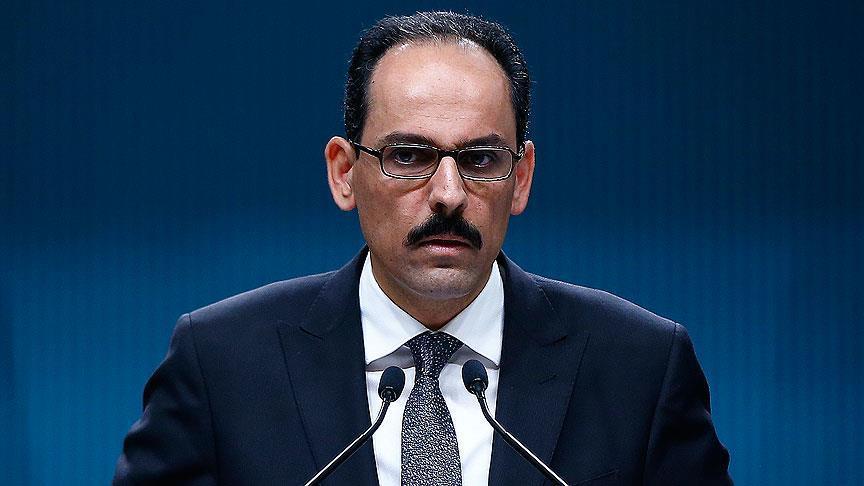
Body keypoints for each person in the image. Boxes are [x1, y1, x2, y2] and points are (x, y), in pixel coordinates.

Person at [114, 11, 731, 485]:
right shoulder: (221, 365)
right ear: (344, 173)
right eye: (409, 156)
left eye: (480, 159)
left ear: (520, 179)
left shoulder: (639, 369)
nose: (448, 194)